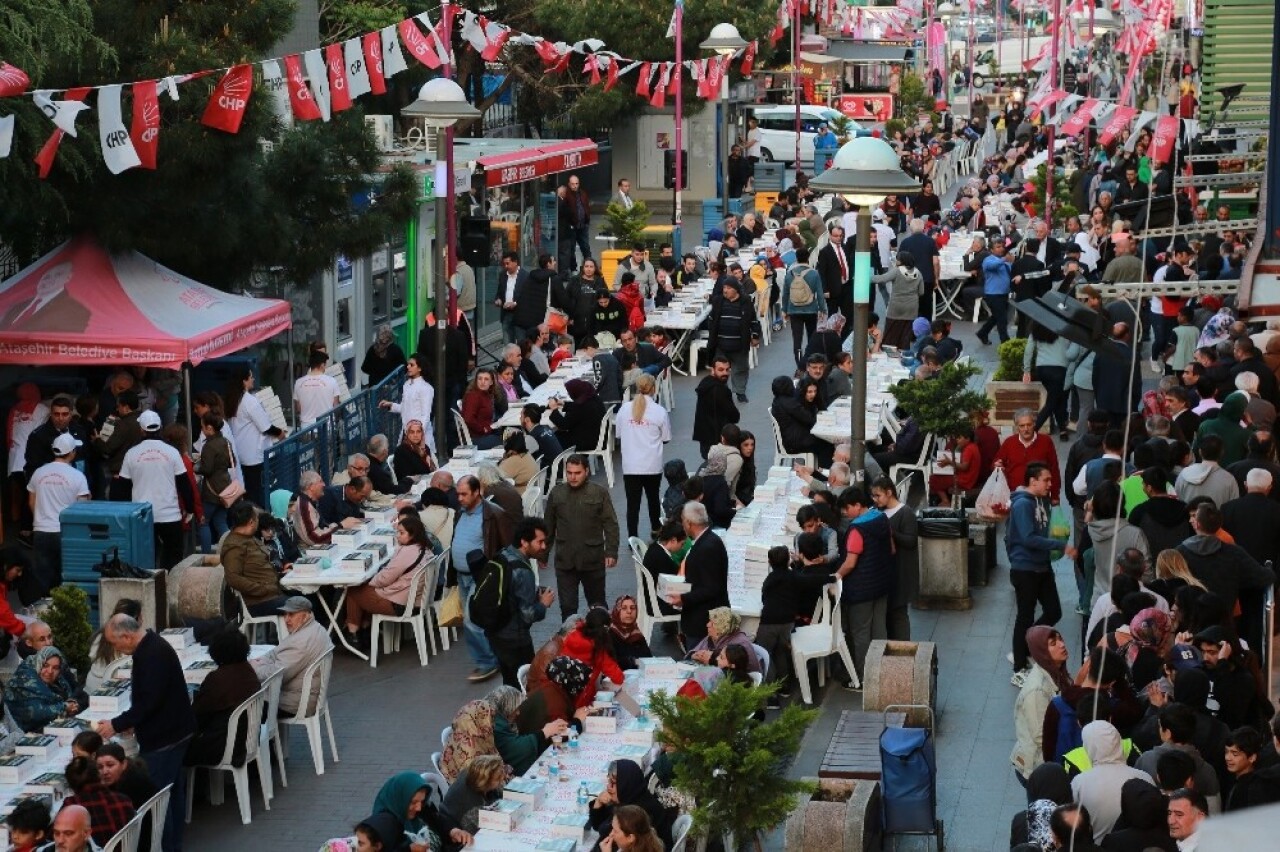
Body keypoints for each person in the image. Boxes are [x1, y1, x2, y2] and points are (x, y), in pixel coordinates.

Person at [96, 614, 196, 852]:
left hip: (164, 738)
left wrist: (116, 724)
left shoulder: (152, 655)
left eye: (114, 642)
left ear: (127, 636)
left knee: (160, 800)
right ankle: (173, 844)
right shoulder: (151, 647)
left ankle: (167, 846)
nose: (115, 648)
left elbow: (149, 702)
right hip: (175, 731)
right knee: (171, 794)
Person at [1008, 464, 1076, 686]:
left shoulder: (1041, 502)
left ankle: (1028, 645)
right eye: (1046, 480)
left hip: (1042, 566)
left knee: (1054, 610)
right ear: (1032, 481)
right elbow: (1027, 538)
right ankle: (1019, 665)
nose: (1050, 484)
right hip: (1025, 568)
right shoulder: (1022, 505)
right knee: (1024, 616)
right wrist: (1060, 545)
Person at [451, 474, 513, 683]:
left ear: (477, 492)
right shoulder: (460, 513)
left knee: (471, 620)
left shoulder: (494, 515)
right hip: (462, 576)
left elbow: (507, 546)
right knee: (474, 620)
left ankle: (488, 662)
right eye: (457, 493)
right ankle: (492, 655)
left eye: (464, 494)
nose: (459, 498)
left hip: (481, 576)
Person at [343, 515, 436, 651]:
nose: (397, 536)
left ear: (413, 534)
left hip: (400, 605)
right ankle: (363, 628)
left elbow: (384, 578)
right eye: (397, 532)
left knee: (354, 590)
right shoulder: (425, 549)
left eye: (401, 533)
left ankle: (353, 632)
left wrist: (371, 581)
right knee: (364, 592)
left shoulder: (407, 552)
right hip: (416, 600)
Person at [544, 455, 620, 620]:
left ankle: (602, 641)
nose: (573, 477)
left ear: (586, 471)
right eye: (569, 473)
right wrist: (543, 554)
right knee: (568, 607)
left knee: (597, 605)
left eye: (577, 473)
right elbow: (548, 525)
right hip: (565, 560)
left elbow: (610, 524)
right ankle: (570, 642)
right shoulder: (557, 494)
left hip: (592, 559)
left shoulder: (599, 493)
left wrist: (611, 552)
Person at [484, 517, 553, 687]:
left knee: (509, 682)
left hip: (497, 635)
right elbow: (528, 615)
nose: (544, 546)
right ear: (524, 542)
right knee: (526, 686)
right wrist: (543, 603)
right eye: (540, 542)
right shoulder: (523, 571)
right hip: (515, 640)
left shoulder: (503, 555)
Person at [119, 410, 191, 570]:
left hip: (141, 515)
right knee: (173, 556)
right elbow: (184, 483)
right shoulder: (172, 452)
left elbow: (122, 487)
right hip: (170, 514)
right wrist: (190, 508)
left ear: (142, 430)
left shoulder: (131, 454)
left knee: (145, 558)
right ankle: (169, 586)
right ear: (160, 428)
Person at [26, 432, 89, 593]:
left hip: (41, 531)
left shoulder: (39, 472)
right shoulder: (78, 477)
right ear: (72, 452)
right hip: (65, 533)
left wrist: (41, 518)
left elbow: (32, 502)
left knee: (42, 579)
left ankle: (42, 613)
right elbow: (82, 508)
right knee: (66, 578)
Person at [249, 597, 334, 717]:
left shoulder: (300, 642)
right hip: (302, 696)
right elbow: (276, 653)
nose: (286, 619)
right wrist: (263, 660)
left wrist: (254, 667)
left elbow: (275, 676)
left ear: (305, 616)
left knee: (241, 701)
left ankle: (259, 735)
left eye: (291, 614)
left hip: (293, 703)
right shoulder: (315, 628)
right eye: (285, 614)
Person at [616, 374, 671, 539]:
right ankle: (655, 529)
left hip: (631, 466)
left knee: (633, 505)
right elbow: (666, 438)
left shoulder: (625, 409)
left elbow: (618, 434)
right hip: (652, 464)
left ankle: (632, 537)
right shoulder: (659, 411)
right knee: (653, 499)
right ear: (654, 388)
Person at [668, 502, 729, 648]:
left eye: (683, 520)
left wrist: (682, 598)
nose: (682, 524)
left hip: (702, 622)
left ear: (689, 523)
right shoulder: (710, 540)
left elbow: (710, 588)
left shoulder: (706, 548)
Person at [589, 760, 679, 850]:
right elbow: (599, 826)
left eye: (613, 783)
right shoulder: (630, 797)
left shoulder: (636, 814)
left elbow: (607, 838)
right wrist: (598, 803)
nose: (608, 787)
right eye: (608, 781)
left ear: (625, 784)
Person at [371, 771, 470, 852]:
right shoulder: (384, 827)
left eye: (422, 801)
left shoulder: (421, 809)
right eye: (413, 802)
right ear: (400, 799)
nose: (418, 808)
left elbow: (438, 819)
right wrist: (409, 850)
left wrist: (453, 831)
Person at [220, 499, 288, 617]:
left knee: (309, 596)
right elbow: (233, 578)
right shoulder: (234, 546)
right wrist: (261, 589)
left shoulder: (249, 538)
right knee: (303, 604)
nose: (258, 522)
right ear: (251, 522)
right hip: (260, 602)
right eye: (257, 519)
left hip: (274, 593)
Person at [870, 476, 918, 641]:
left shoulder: (906, 513)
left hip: (901, 571)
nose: (875, 500)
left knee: (898, 613)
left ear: (889, 493)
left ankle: (904, 648)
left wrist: (891, 531)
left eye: (878, 496)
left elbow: (911, 541)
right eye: (874, 496)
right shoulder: (879, 512)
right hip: (886, 571)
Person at [708, 277, 762, 403]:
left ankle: (740, 392)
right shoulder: (718, 301)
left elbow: (753, 321)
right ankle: (722, 393)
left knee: (741, 369)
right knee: (720, 370)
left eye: (728, 288)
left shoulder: (746, 302)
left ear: (736, 290)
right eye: (724, 288)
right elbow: (711, 319)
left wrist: (755, 336)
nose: (725, 291)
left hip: (739, 344)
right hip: (721, 344)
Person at [61, 756, 136, 846]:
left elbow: (53, 839)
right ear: (98, 775)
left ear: (70, 785)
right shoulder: (123, 800)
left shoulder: (70, 806)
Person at [4, 645, 79, 733]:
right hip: (24, 733)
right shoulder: (24, 678)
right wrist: (65, 707)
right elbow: (36, 713)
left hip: (48, 727)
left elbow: (67, 693)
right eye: (45, 665)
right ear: (38, 662)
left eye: (55, 668)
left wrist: (72, 704)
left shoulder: (58, 679)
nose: (50, 671)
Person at [995, 408, 1063, 498]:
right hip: (1014, 495)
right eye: (1022, 426)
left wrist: (1055, 496)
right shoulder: (1009, 442)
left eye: (1029, 425)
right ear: (1017, 427)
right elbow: (996, 462)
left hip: (1040, 496)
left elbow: (1054, 469)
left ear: (1034, 424)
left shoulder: (1046, 441)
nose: (1026, 429)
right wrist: (997, 465)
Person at [379, 354, 437, 455]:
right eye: (408, 364)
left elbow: (426, 414)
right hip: (406, 433)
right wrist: (390, 405)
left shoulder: (426, 388)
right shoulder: (407, 385)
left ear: (420, 368)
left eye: (411, 365)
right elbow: (404, 407)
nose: (408, 367)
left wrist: (418, 434)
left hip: (418, 436)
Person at [442, 753, 505, 835]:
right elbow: (480, 829)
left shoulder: (472, 773)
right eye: (498, 778)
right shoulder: (472, 803)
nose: (502, 777)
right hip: (460, 831)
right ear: (485, 782)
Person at [684, 607, 761, 672]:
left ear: (723, 627)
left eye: (713, 623)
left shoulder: (739, 645)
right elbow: (693, 654)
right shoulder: (714, 637)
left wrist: (711, 660)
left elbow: (734, 674)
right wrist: (695, 655)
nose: (707, 625)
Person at [692, 356, 740, 458]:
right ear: (712, 370)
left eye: (727, 370)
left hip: (706, 438)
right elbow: (734, 415)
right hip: (717, 441)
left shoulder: (705, 384)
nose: (725, 373)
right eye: (721, 370)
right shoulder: (719, 390)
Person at [95, 741, 159, 812]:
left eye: (110, 765)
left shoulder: (132, 783)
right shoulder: (130, 773)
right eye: (100, 767)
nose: (105, 771)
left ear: (124, 764)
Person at [548, 378, 607, 452]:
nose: (569, 395)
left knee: (554, 435)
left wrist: (554, 409)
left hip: (588, 442)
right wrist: (564, 404)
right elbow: (579, 409)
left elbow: (563, 425)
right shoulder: (593, 397)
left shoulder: (579, 407)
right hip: (600, 436)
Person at [294, 350, 341, 426]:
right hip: (326, 428)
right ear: (322, 365)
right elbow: (336, 406)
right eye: (325, 365)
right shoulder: (332, 381)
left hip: (306, 429)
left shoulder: (298, 383)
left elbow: (298, 409)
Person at [461, 369, 504, 450]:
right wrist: (482, 429)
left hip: (484, 434)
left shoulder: (485, 395)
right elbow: (468, 418)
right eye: (480, 378)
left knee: (507, 434)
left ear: (491, 382)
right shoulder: (474, 396)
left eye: (486, 379)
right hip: (475, 439)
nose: (482, 382)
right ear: (476, 380)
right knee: (506, 441)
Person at [608, 595, 651, 670]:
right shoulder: (609, 634)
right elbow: (609, 663)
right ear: (618, 611)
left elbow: (648, 659)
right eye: (624, 608)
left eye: (633, 608)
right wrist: (633, 661)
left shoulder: (637, 634)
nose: (629, 611)